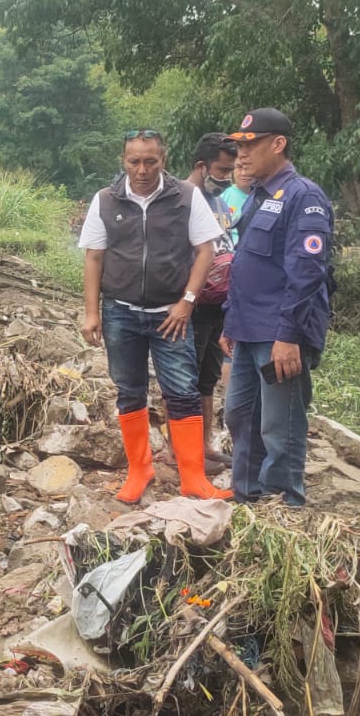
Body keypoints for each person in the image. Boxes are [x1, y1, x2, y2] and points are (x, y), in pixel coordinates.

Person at [79, 129, 230, 503]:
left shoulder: (185, 197)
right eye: (134, 162)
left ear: (163, 160)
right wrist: (91, 313)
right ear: (123, 161)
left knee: (182, 391)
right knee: (129, 391)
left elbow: (205, 251)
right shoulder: (104, 201)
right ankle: (139, 469)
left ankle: (193, 476)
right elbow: (94, 258)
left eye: (151, 161)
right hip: (120, 314)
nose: (142, 170)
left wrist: (188, 301)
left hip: (171, 315)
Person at [219, 108, 334, 506]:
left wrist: (289, 336)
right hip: (248, 328)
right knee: (239, 415)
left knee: (278, 425)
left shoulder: (304, 197)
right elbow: (244, 263)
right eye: (238, 148)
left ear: (279, 144)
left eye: (250, 146)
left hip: (279, 333)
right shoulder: (257, 197)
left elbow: (306, 273)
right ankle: (247, 496)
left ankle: (283, 503)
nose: (241, 156)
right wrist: (229, 323)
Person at [184, 132, 240, 468]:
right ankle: (181, 450)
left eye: (230, 170)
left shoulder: (218, 202)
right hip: (191, 305)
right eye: (221, 170)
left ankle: (203, 446)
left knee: (207, 379)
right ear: (201, 166)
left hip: (219, 303)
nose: (226, 178)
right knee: (184, 379)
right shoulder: (182, 198)